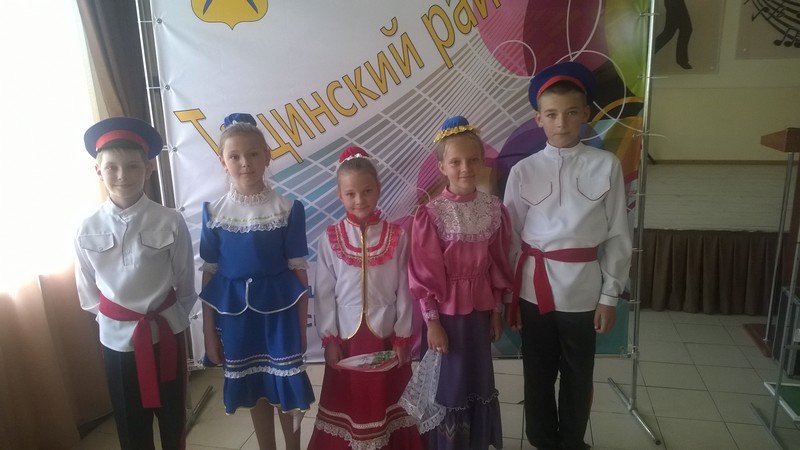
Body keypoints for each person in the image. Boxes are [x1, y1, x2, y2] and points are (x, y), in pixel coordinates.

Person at [503, 62, 632, 450]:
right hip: (534, 290)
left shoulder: (605, 166)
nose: (562, 123)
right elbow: (510, 238)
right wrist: (510, 295)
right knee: (537, 373)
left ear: (586, 114)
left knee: (579, 374)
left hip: (584, 291)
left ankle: (572, 441)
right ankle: (543, 440)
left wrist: (609, 296)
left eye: (572, 112)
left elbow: (618, 235)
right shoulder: (523, 171)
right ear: (538, 118)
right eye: (552, 114)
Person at [75, 117, 197, 450]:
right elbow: (87, 292)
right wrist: (117, 322)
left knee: (172, 419)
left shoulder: (169, 220)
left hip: (165, 334)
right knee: (131, 426)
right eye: (111, 167)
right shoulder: (86, 228)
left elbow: (185, 282)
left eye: (132, 166)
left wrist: (170, 320)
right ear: (98, 171)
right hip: (117, 341)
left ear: (148, 168)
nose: (122, 175)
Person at [199, 113, 314, 450]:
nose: (245, 163)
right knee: (255, 387)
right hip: (236, 318)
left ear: (267, 156)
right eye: (234, 156)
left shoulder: (287, 209)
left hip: (280, 316)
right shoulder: (214, 213)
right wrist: (209, 333)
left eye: (252, 154)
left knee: (285, 386)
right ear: (223, 162)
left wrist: (302, 328)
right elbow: (209, 274)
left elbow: (299, 270)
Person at [401, 115, 513, 449]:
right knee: (448, 384)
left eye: (473, 160)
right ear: (442, 167)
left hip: (479, 313)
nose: (466, 168)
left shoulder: (494, 210)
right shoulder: (430, 215)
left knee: (476, 379)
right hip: (445, 317)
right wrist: (432, 323)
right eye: (456, 162)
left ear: (482, 161)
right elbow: (423, 274)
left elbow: (497, 266)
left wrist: (496, 312)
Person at [308, 146, 423, 450]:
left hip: (386, 337)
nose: (359, 200)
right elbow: (324, 294)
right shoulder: (330, 238)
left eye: (367, 191)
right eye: (351, 193)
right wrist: (330, 339)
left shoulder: (397, 236)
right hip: (347, 340)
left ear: (378, 189)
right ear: (339, 194)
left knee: (386, 401)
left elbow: (405, 289)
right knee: (351, 402)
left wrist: (402, 337)